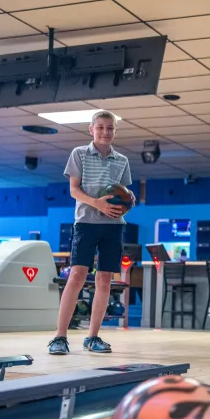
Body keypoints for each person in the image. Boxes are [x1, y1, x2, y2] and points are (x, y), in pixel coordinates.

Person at [48, 110, 134, 355]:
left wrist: (130, 199)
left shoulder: (122, 161)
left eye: (110, 128)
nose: (105, 132)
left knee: (105, 280)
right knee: (76, 276)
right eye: (101, 127)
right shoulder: (79, 154)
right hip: (86, 222)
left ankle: (92, 337)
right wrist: (97, 204)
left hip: (114, 225)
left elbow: (121, 191)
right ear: (91, 129)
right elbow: (74, 190)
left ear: (115, 131)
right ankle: (59, 337)